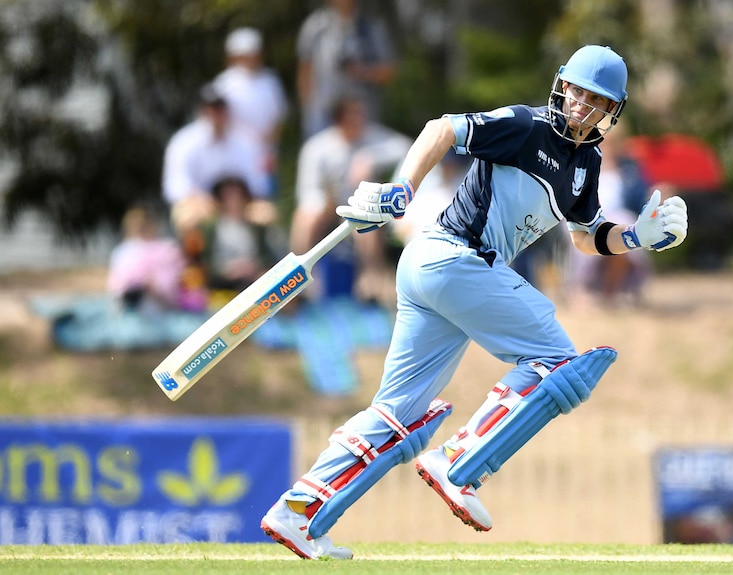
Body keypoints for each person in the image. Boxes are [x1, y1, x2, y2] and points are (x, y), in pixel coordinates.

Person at [260, 45, 688, 560]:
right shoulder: (527, 126)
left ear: (611, 111)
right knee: (557, 362)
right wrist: (404, 187)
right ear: (561, 85)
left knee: (400, 415)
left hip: (445, 272)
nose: (580, 105)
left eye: (595, 100)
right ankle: (459, 460)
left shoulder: (587, 162)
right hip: (452, 257)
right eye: (575, 91)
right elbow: (443, 128)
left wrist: (638, 236)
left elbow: (586, 235)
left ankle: (300, 510)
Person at [291, 95, 410, 302]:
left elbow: (406, 146)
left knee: (366, 224)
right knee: (307, 217)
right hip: (326, 208)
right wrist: (325, 204)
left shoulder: (371, 136)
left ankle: (371, 283)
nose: (360, 121)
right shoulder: (317, 148)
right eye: (354, 117)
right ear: (339, 120)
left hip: (361, 207)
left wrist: (371, 158)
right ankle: (300, 281)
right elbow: (307, 191)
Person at [161, 83, 270, 235]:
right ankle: (195, 258)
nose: (216, 113)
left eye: (220, 108)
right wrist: (206, 202)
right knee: (187, 217)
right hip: (200, 204)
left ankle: (265, 256)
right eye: (210, 108)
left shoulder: (246, 141)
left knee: (266, 214)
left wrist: (239, 202)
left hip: (241, 203)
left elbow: (259, 185)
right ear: (201, 112)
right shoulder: (182, 142)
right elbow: (176, 188)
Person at [572, 120, 652, 305]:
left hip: (619, 218)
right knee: (593, 228)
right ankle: (581, 288)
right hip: (584, 218)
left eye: (611, 141)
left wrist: (655, 196)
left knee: (623, 230)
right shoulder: (579, 163)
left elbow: (640, 199)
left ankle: (610, 292)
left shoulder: (630, 169)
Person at [296, 0, 395, 140]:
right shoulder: (315, 27)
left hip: (361, 116)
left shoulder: (370, 27)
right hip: (323, 115)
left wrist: (362, 72)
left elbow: (387, 72)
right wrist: (308, 111)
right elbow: (305, 71)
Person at [213, 27, 289, 194]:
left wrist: (268, 145)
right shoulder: (223, 84)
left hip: (266, 155)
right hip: (234, 155)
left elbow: (279, 117)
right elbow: (218, 120)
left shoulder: (270, 80)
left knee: (266, 198)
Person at [107, 206, 186, 312]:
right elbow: (116, 290)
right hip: (138, 307)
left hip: (158, 307)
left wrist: (152, 286)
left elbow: (172, 293)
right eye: (137, 229)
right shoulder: (123, 252)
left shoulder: (167, 251)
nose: (140, 234)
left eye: (142, 228)